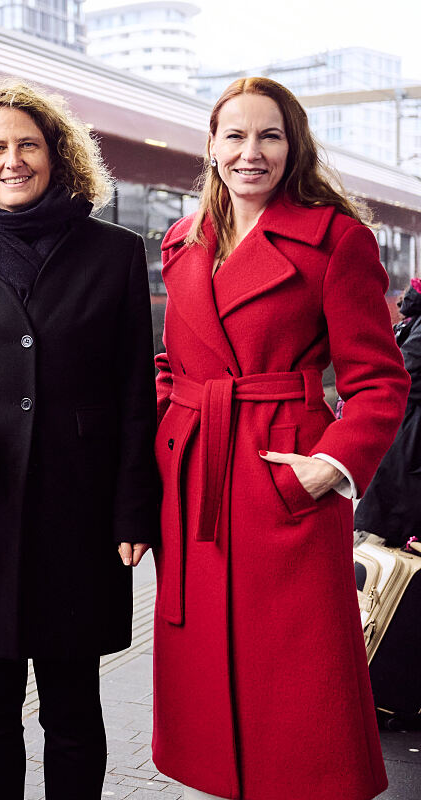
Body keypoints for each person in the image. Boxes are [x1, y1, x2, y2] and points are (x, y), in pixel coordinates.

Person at [0, 77, 159, 799]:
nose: (11, 161)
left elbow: (138, 393)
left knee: (73, 706)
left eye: (27, 145)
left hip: (79, 511)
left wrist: (135, 511)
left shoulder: (113, 253)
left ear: (58, 154)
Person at [151, 77, 409, 800]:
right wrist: (167, 449)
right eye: (234, 135)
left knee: (299, 702)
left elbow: (380, 382)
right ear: (211, 145)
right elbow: (174, 365)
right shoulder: (183, 241)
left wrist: (326, 468)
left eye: (269, 135)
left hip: (282, 481)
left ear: (293, 145)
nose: (250, 152)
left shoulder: (335, 239)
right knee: (211, 695)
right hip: (197, 478)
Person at [354, 278, 421, 547]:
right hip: (406, 450)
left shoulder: (412, 320)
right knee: (380, 546)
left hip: (403, 446)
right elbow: (402, 374)